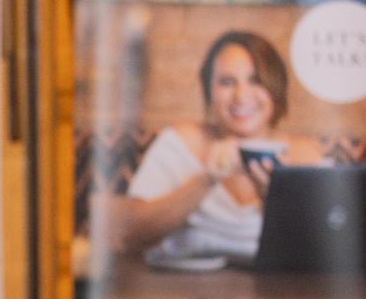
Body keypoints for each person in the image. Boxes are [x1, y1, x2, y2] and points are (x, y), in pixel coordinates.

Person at [104, 30, 322, 265]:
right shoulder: (180, 142)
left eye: (256, 80)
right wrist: (207, 179)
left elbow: (324, 254)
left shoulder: (305, 156)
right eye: (227, 82)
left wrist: (277, 201)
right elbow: (129, 236)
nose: (241, 96)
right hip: (182, 285)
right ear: (209, 92)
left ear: (276, 89)